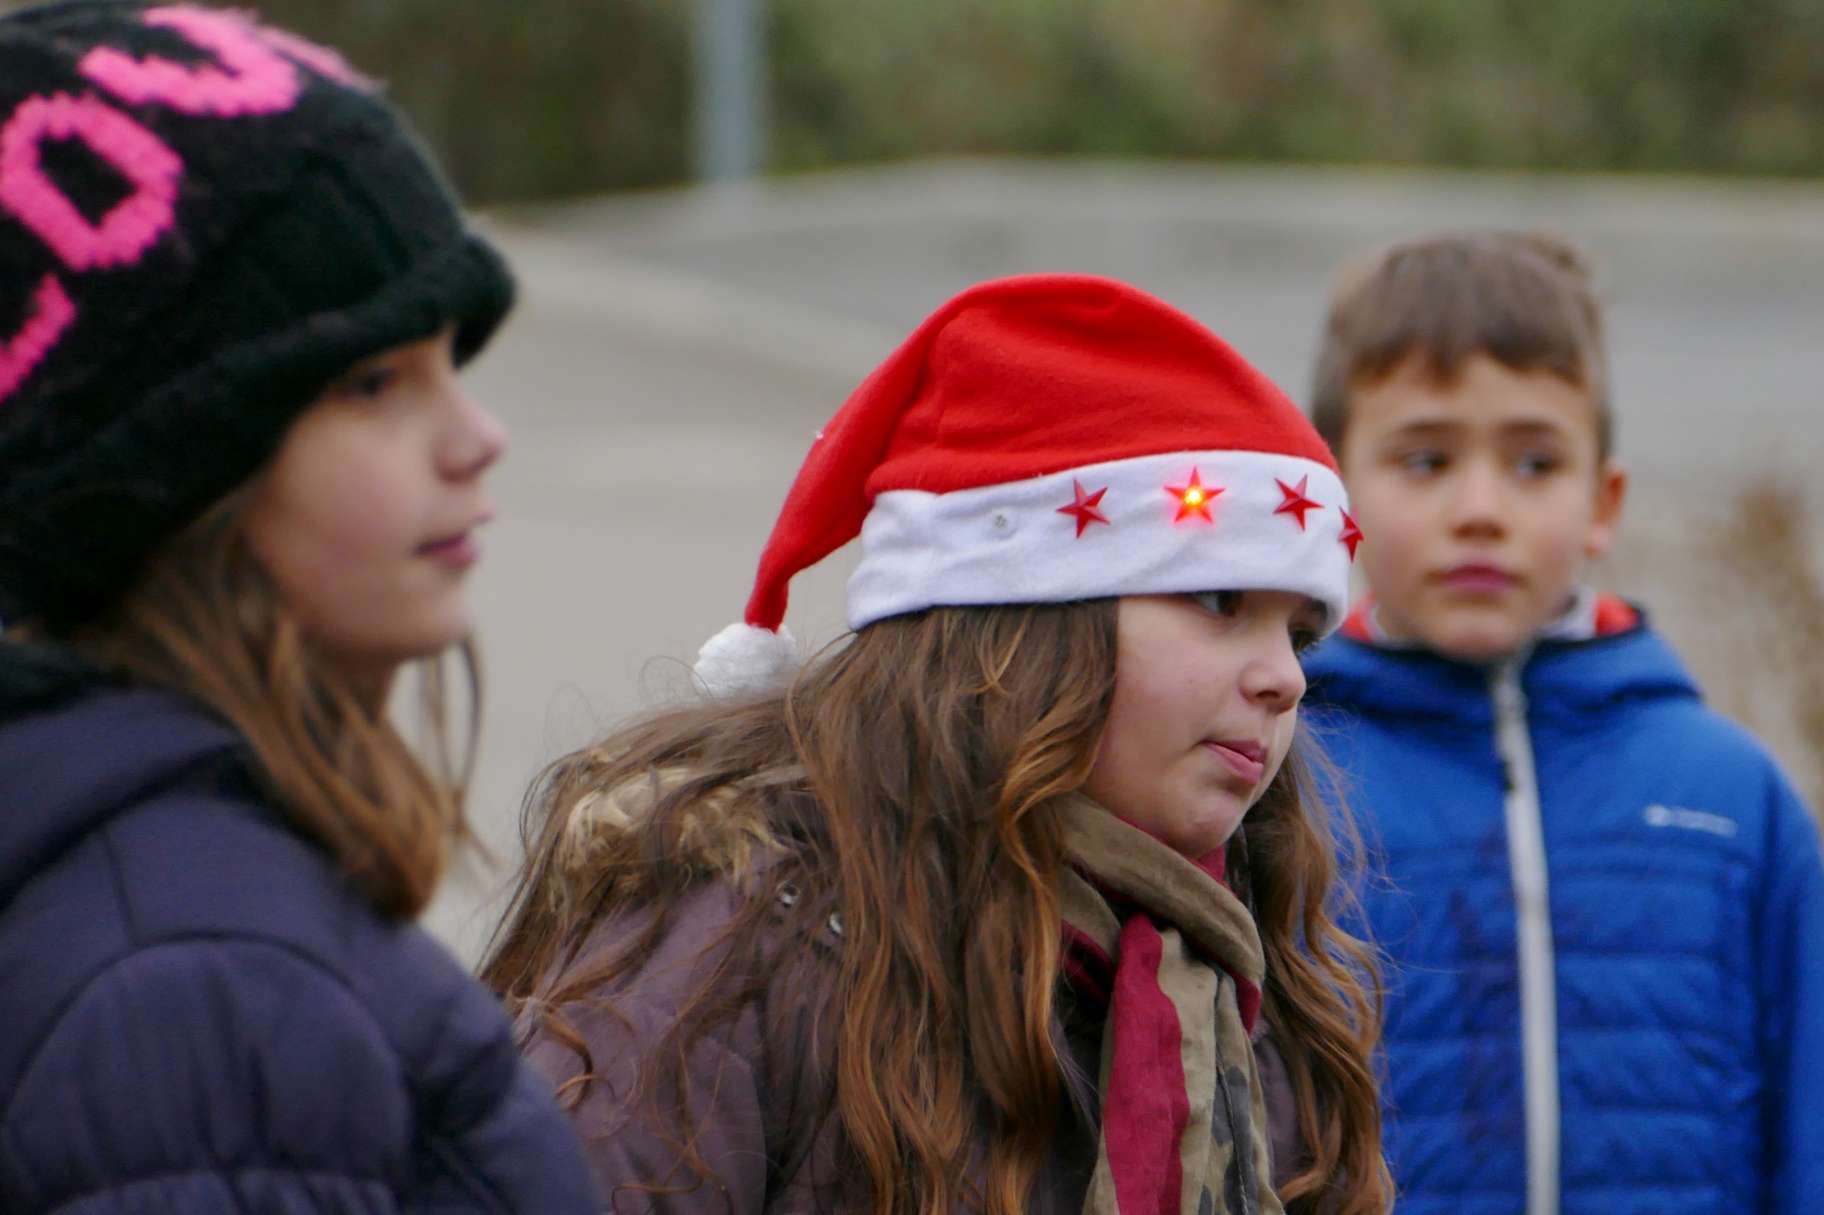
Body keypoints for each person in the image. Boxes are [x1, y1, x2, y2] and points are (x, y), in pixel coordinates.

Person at [483, 273, 1393, 1214]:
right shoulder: (739, 943)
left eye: (1300, 636)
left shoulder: (1232, 984)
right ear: (1020, 627)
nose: (1285, 678)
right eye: (1217, 600)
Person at [0, 3, 597, 1211]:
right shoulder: (196, 990)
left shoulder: (177, 915)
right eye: (374, 382)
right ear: (165, 468)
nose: (478, 436)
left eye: (449, 362)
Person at [1300, 229, 1824, 1215]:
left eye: (1535, 463)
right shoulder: (1281, 785)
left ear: (1603, 501)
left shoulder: (1731, 799)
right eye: (1425, 459)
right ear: (1334, 491)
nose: (1480, 509)